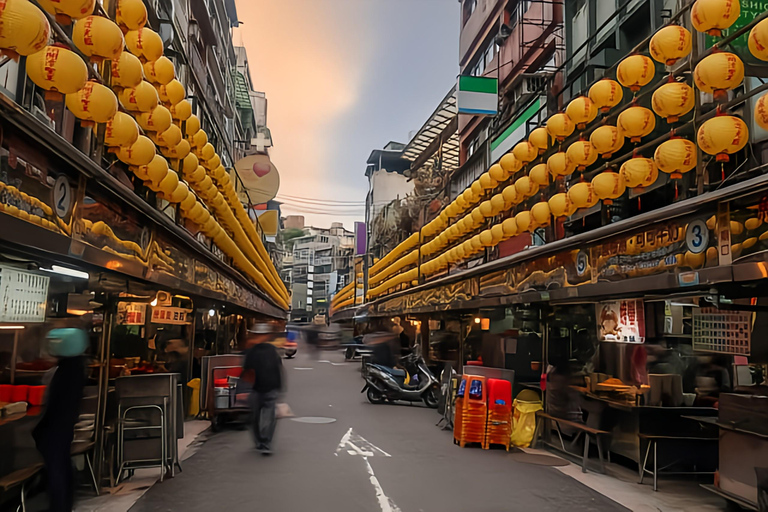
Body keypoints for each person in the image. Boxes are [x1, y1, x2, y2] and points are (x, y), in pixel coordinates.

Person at [32, 328, 88, 512]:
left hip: (56, 427)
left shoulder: (65, 371)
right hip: (64, 426)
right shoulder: (76, 367)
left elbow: (53, 402)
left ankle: (59, 506)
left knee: (57, 467)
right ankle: (63, 505)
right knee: (62, 466)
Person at [242, 323, 283, 454]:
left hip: (268, 387)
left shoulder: (270, 350)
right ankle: (261, 441)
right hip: (256, 388)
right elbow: (247, 369)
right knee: (255, 416)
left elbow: (278, 368)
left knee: (267, 416)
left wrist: (279, 386)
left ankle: (265, 442)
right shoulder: (253, 350)